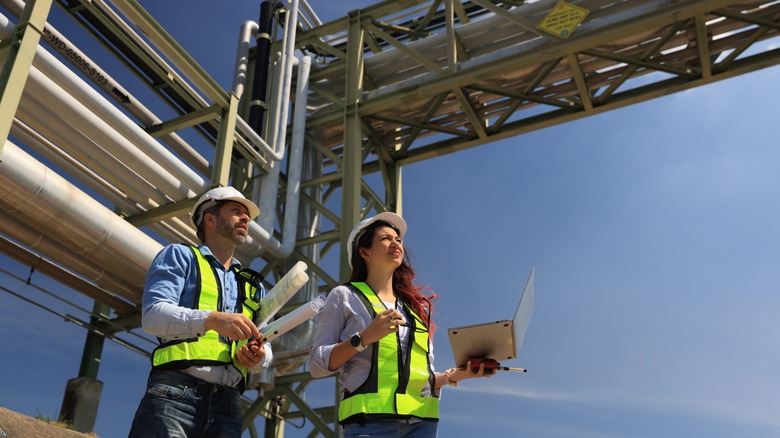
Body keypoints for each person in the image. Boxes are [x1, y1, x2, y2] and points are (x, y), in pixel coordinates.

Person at [308, 212, 492, 437]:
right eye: (386, 238)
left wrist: (456, 375)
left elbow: (421, 377)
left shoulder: (416, 309)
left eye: (398, 239)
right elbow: (317, 365)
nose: (395, 243)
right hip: (370, 425)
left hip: (423, 424)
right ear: (364, 252)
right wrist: (363, 338)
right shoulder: (344, 296)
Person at [129, 186, 273, 437]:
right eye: (236, 211)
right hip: (175, 393)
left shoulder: (253, 285)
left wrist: (259, 357)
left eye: (246, 215)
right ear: (210, 219)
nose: (246, 218)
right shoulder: (180, 256)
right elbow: (152, 316)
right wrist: (211, 320)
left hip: (228, 405)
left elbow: (265, 343)